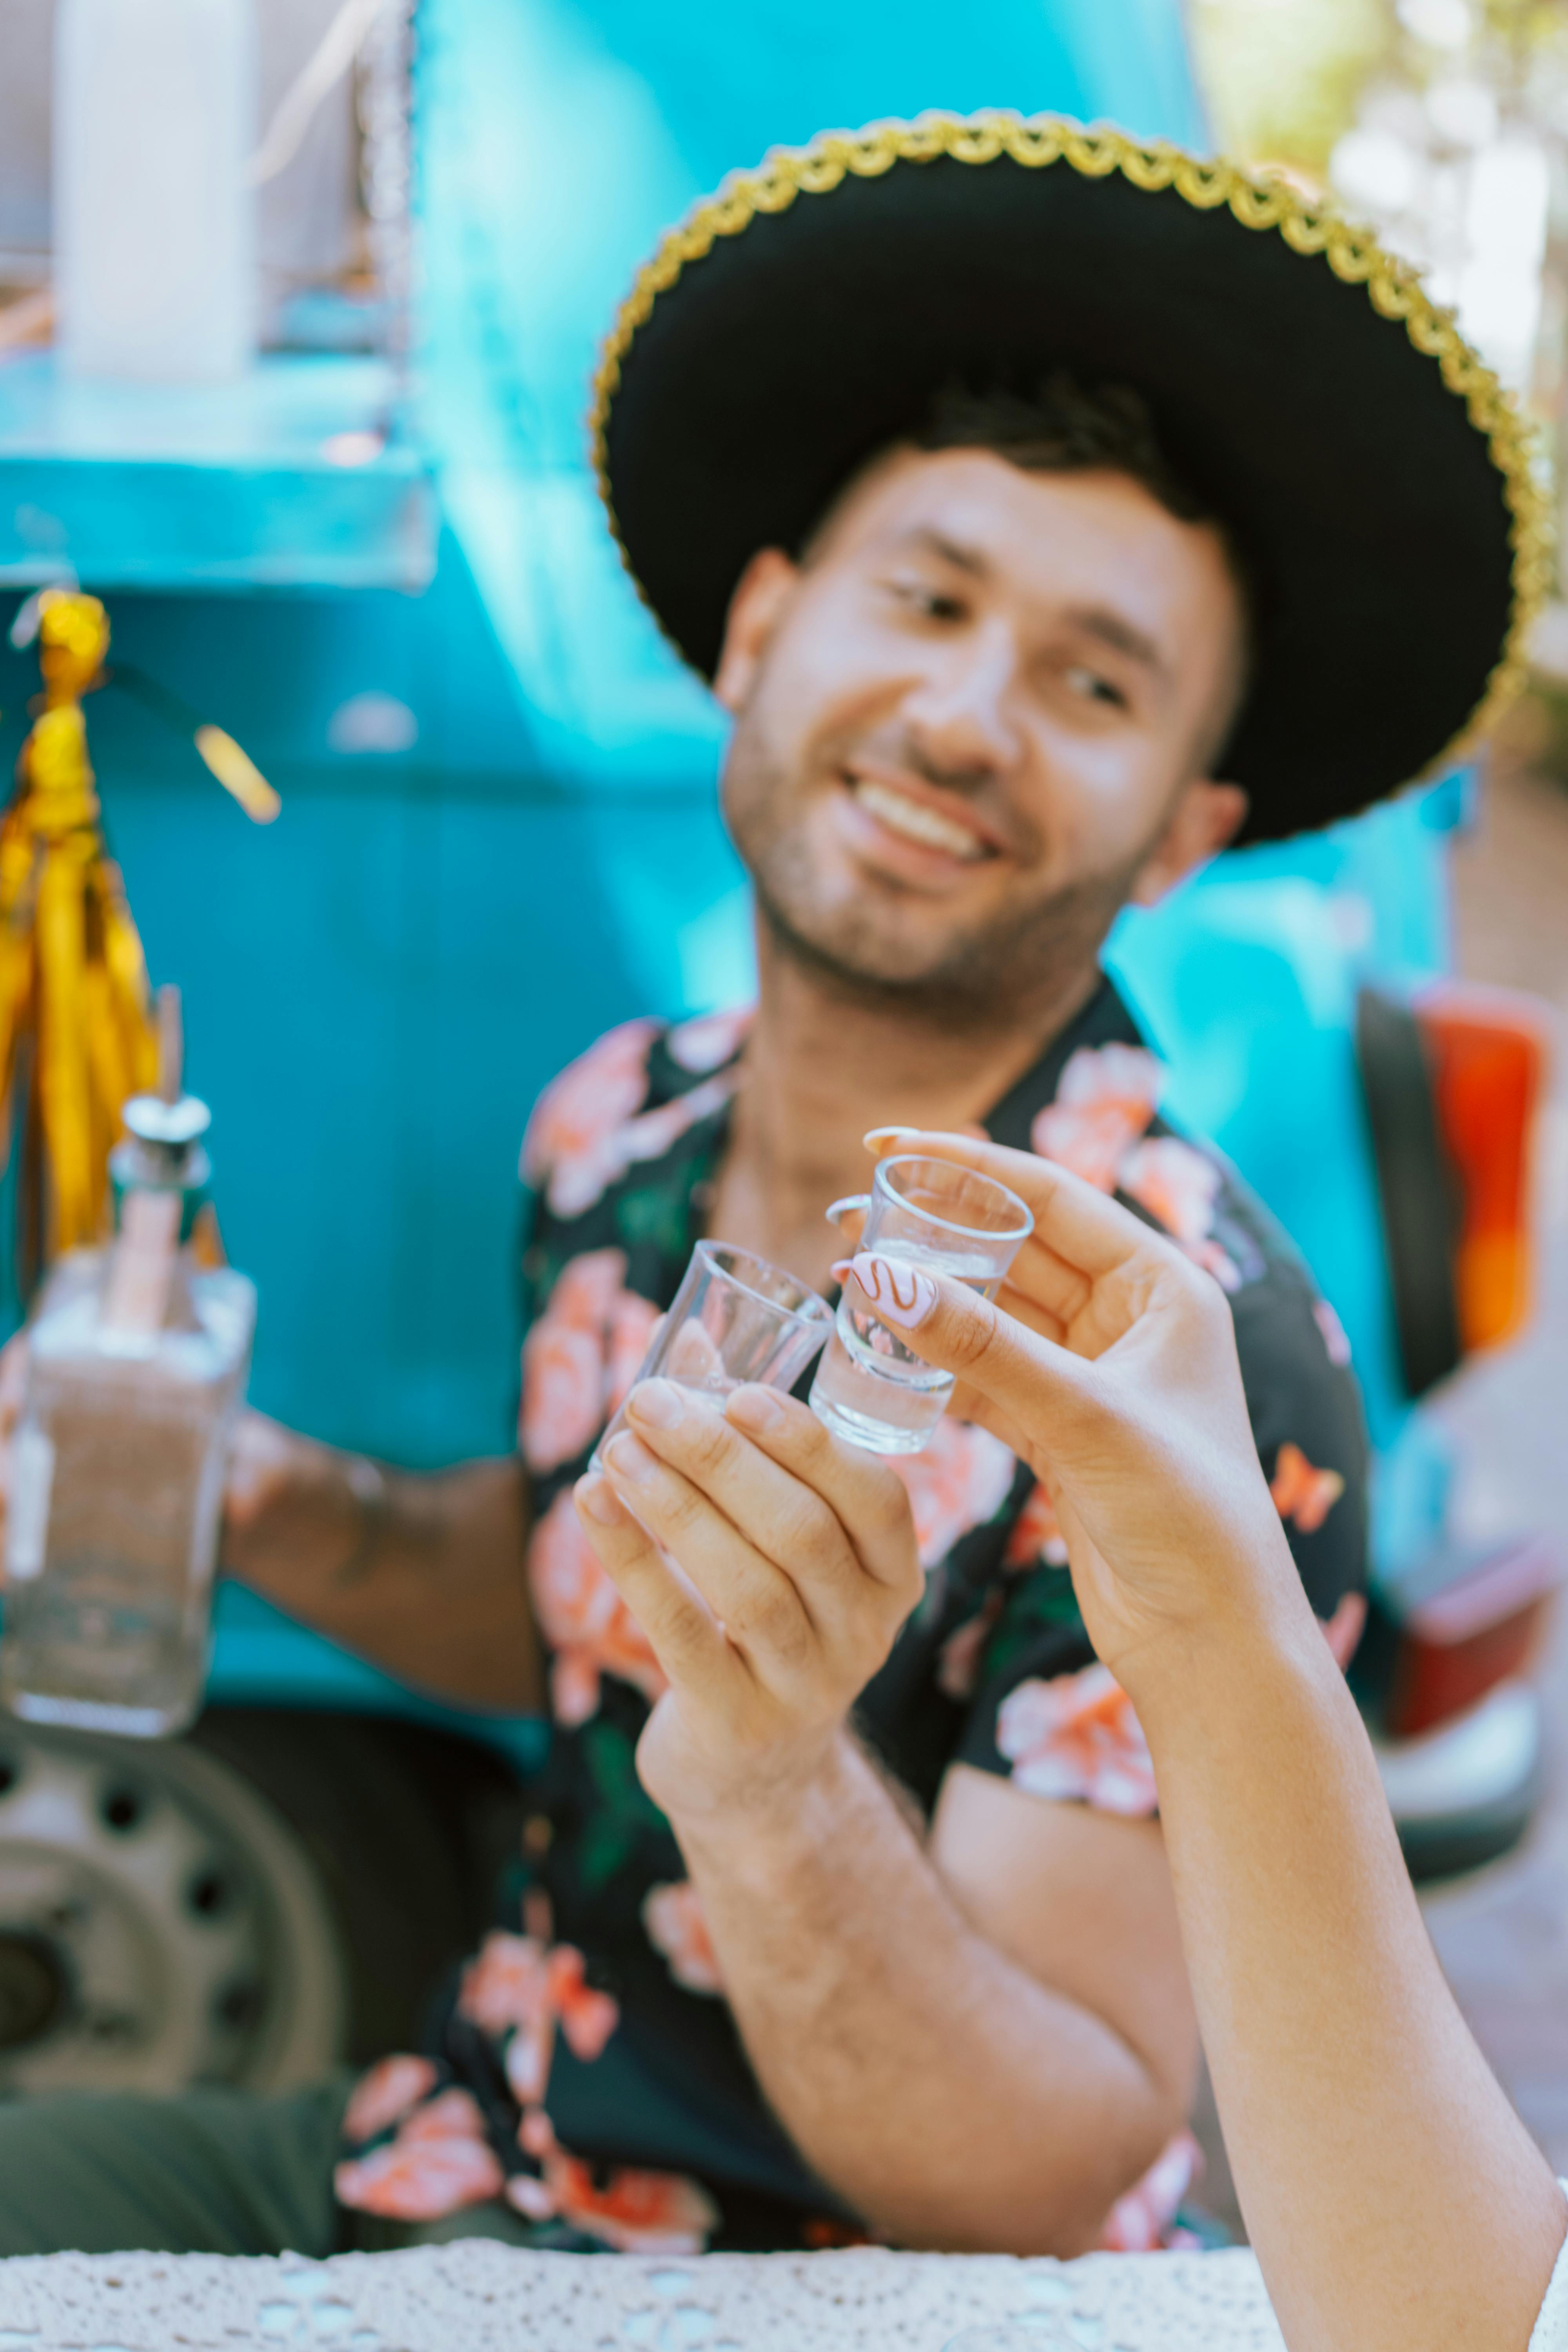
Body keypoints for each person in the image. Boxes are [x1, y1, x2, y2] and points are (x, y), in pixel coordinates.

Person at [0, 111, 1538, 2258]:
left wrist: (771, 1765)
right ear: (757, 632)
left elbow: (1057, 2159)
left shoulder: (1175, 1356)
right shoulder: (616, 1123)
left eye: (1092, 683)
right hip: (458, 2152)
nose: (964, 713)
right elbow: (572, 1572)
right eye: (925, 598)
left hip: (829, 2290)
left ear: (1182, 833)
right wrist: (272, 1502)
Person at [575, 1132, 1568, 2352]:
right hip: (495, 2108)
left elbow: (1049, 2172)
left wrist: (1209, 1630)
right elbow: (1471, 2318)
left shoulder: (1232, 1347)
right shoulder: (629, 1114)